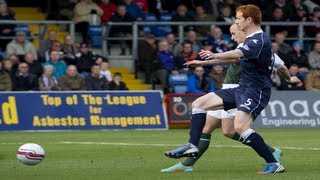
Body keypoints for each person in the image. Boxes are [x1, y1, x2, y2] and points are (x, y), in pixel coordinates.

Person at [161, 23, 300, 173]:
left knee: (231, 130)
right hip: (228, 89)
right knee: (208, 125)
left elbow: (234, 58)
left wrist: (208, 58)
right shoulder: (247, 46)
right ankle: (187, 162)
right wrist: (290, 79)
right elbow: (280, 66)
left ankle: (271, 153)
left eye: (233, 33)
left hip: (241, 90)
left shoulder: (253, 48)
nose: (232, 37)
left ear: (244, 30)